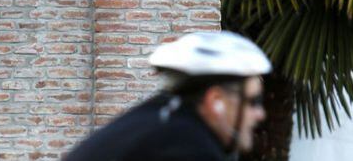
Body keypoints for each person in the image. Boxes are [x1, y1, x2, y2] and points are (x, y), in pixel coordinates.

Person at [63, 31, 272, 161]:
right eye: (254, 102)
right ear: (216, 100)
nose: (260, 114)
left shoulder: (162, 119)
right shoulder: (187, 147)